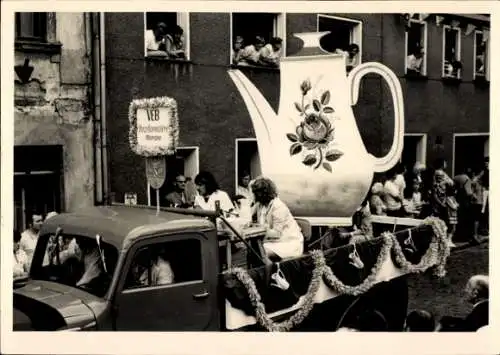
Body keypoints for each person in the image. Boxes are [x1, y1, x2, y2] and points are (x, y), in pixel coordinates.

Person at [251, 177, 304, 261]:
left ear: (265, 192)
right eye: (255, 193)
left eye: (258, 193)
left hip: (288, 243)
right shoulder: (260, 205)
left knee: (260, 252)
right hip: (272, 242)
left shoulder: (278, 206)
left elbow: (276, 234)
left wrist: (261, 230)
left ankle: (268, 273)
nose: (256, 195)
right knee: (253, 250)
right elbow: (249, 217)